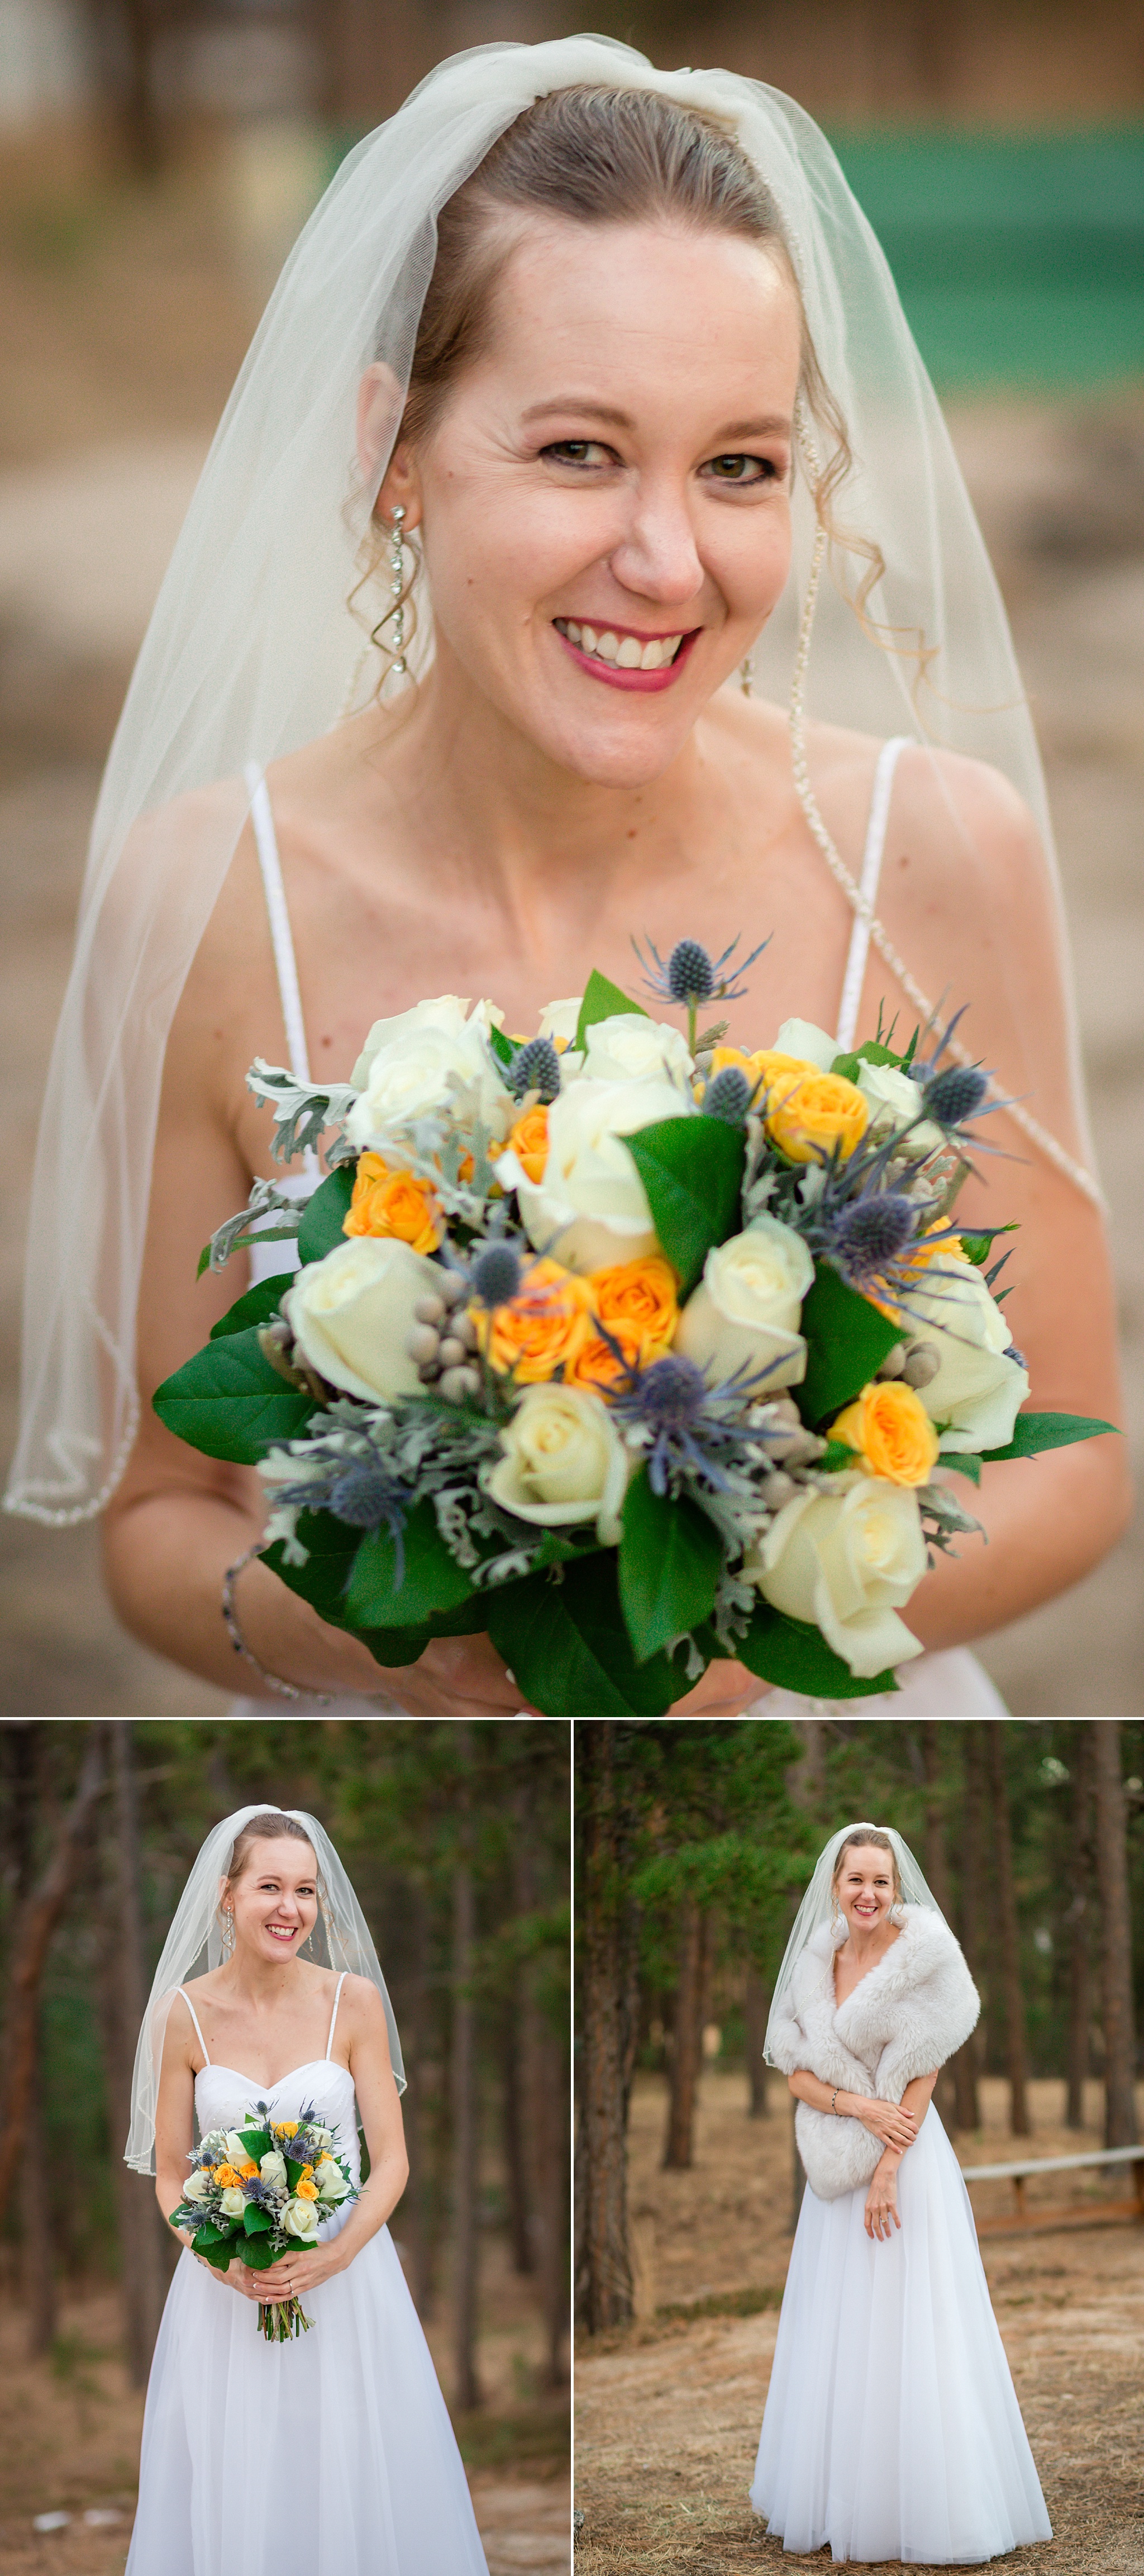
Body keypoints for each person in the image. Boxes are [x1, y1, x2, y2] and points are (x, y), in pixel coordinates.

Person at [6, 42, 1128, 1717]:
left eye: (740, 465)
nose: (669, 562)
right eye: (581, 452)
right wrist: (412, 1646)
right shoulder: (201, 897)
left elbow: (1077, 1466)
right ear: (396, 449)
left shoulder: (936, 849)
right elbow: (162, 1519)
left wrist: (734, 1640)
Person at [124, 1805, 489, 2576]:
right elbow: (167, 2174)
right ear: (227, 1895)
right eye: (269, 1887)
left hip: (347, 2284)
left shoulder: (352, 2000)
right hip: (227, 2293)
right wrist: (222, 2258)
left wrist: (335, 2256)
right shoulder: (181, 2014)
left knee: (352, 2471)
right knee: (242, 2476)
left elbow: (391, 2161)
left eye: (306, 1890)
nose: (291, 1908)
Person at [754, 1821, 1052, 2563]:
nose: (869, 1893)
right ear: (836, 1884)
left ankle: (928, 2502)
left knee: (911, 2318)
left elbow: (926, 2067)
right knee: (843, 2322)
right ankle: (843, 2498)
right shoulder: (813, 1962)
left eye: (881, 1880)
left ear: (897, 1886)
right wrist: (853, 2107)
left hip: (907, 2158)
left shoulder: (922, 1955)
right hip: (833, 2159)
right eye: (856, 1878)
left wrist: (889, 2167)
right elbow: (794, 2072)